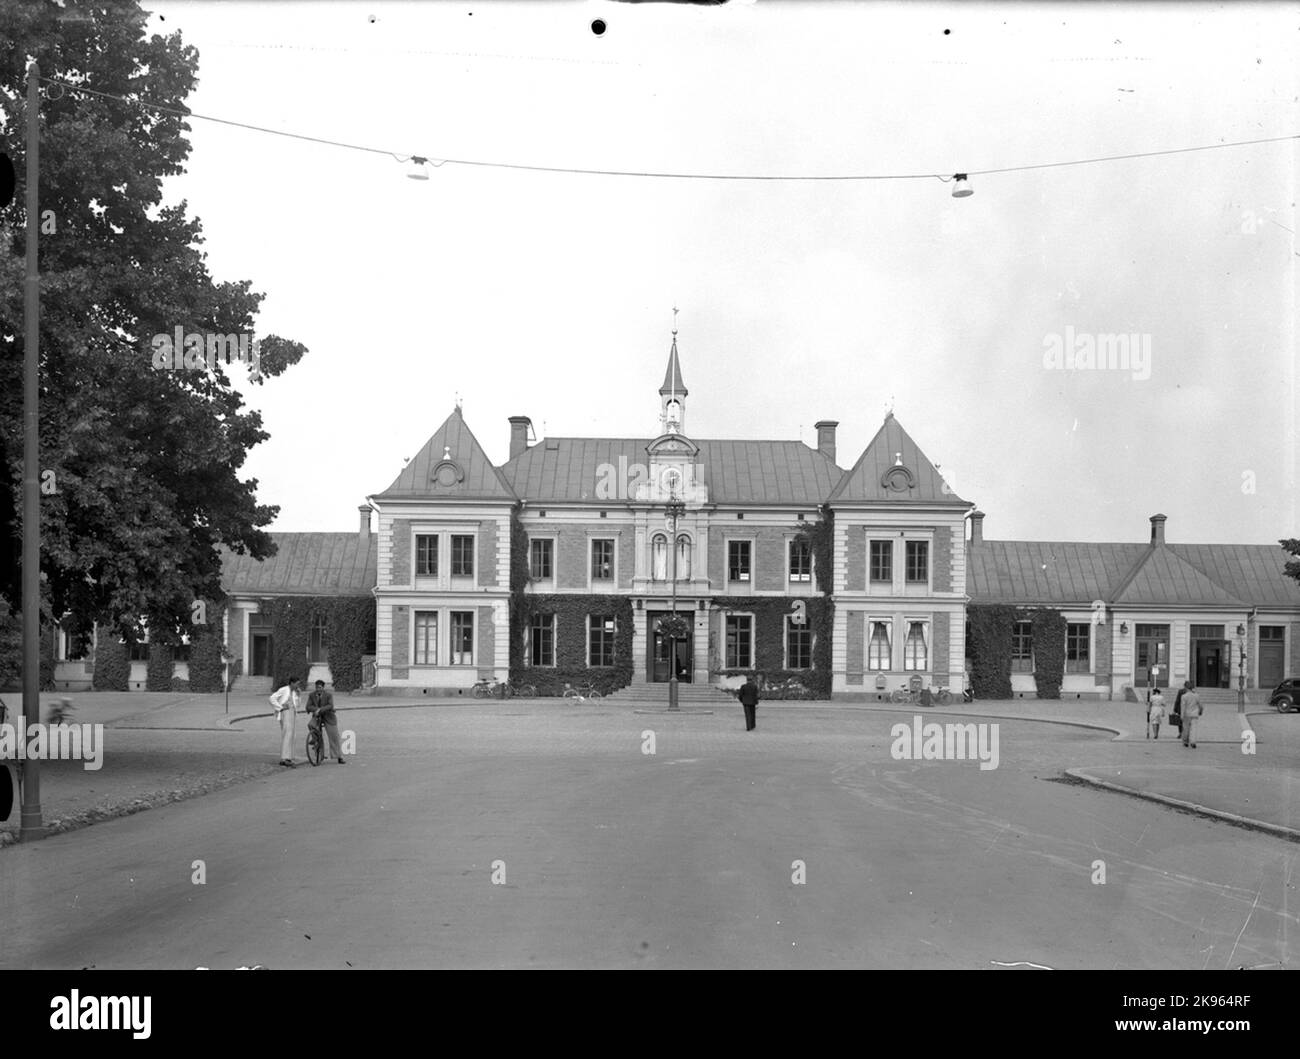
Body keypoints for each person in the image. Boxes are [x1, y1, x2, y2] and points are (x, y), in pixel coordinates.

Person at [306, 679, 346, 765]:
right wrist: (316, 710)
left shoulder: (328, 695)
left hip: (328, 716)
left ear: (323, 688)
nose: (318, 689)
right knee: (310, 724)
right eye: (316, 687)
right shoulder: (311, 695)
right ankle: (316, 740)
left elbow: (330, 705)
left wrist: (320, 710)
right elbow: (308, 706)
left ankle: (339, 756)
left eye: (320, 687)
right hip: (317, 716)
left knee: (334, 736)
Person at [269, 677, 302, 767]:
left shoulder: (295, 692)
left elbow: (298, 705)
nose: (297, 686)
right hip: (285, 713)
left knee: (291, 735)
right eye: (297, 684)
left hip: (292, 713)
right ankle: (285, 758)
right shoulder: (284, 690)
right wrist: (280, 707)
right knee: (287, 734)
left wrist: (299, 696)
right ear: (291, 683)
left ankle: (288, 757)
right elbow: (272, 698)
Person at [1180, 681, 1203, 749]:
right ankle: (1193, 742)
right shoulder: (1196, 695)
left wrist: (1182, 715)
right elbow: (1200, 705)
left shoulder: (1184, 696)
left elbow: (1183, 706)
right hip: (1194, 714)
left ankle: (1185, 741)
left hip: (1186, 714)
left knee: (1186, 729)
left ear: (1186, 687)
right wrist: (1200, 711)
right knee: (1194, 729)